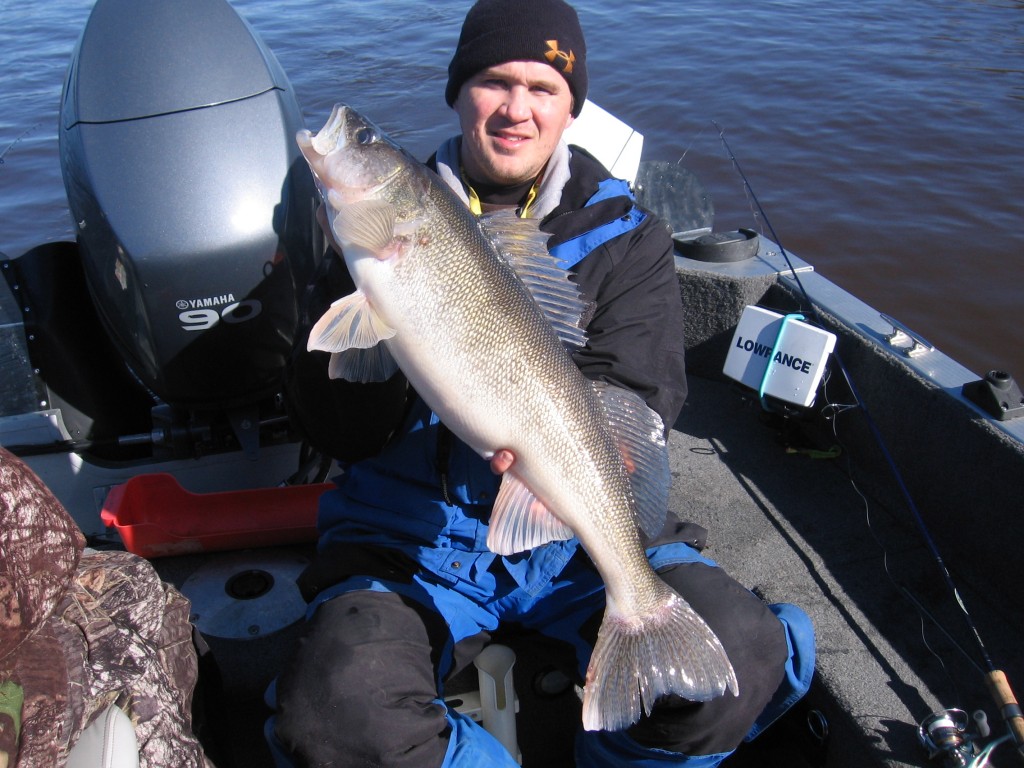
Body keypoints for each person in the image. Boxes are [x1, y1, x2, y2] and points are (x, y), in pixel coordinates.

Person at [270, 1, 814, 766]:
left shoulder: (631, 239)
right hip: (410, 535)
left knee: (737, 660)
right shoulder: (366, 236)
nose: (516, 110)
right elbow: (337, 431)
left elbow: (636, 400)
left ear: (570, 109)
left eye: (543, 89)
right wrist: (353, 291)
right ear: (458, 93)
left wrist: (550, 471)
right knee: (336, 720)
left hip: (575, 544)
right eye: (494, 82)